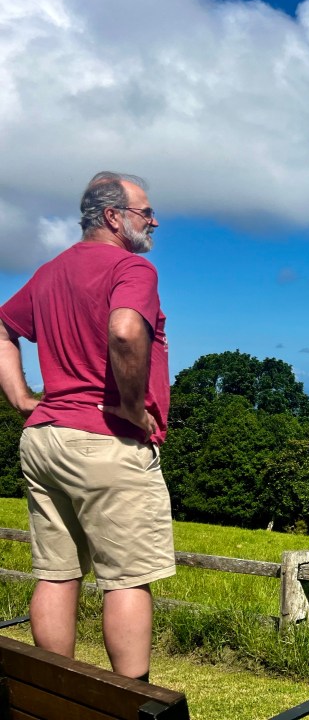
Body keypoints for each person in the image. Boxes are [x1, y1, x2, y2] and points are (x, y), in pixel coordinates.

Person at [0, 171, 175, 682]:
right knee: (126, 579)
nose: (154, 221)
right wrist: (130, 407)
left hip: (44, 439)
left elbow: (3, 327)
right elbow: (124, 330)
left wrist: (21, 399)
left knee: (56, 573)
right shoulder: (131, 268)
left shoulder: (49, 272)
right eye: (146, 212)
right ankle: (132, 701)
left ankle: (56, 696)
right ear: (114, 217)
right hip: (105, 442)